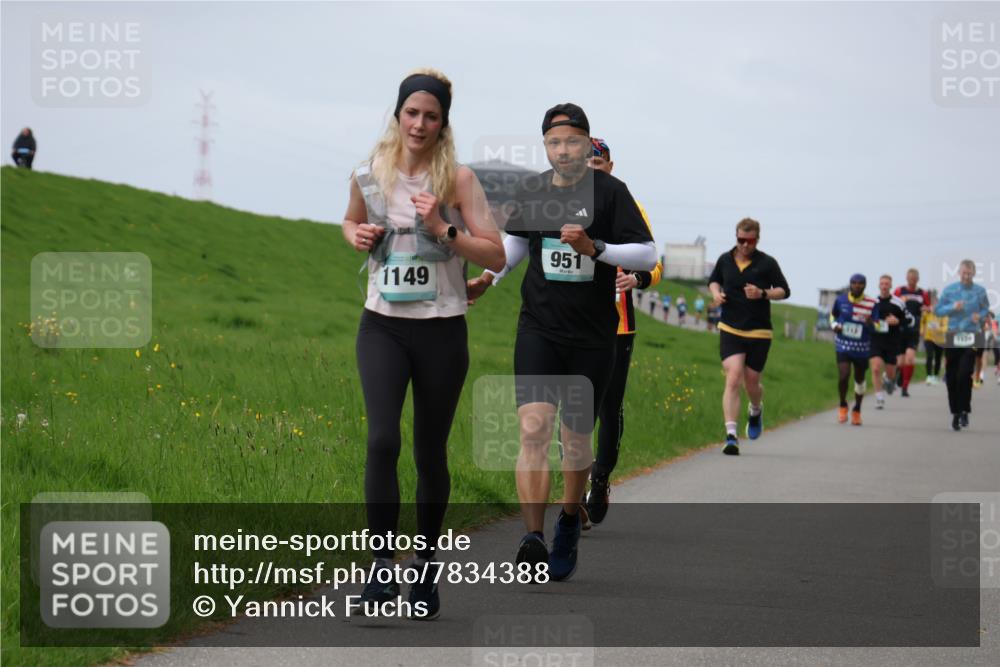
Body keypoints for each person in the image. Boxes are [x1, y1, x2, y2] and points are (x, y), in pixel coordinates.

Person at [467, 103, 656, 581]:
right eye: (554, 142)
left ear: (587, 144)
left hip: (593, 336)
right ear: (545, 146)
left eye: (572, 141)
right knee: (533, 429)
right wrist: (489, 278)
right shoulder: (532, 191)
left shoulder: (611, 193)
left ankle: (569, 517)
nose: (563, 149)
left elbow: (646, 251)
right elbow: (516, 245)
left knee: (574, 441)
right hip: (539, 328)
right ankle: (532, 535)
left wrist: (597, 249)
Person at [341, 69, 505, 618]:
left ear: (443, 123)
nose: (419, 123)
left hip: (441, 329)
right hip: (382, 325)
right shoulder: (368, 174)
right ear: (397, 115)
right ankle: (381, 571)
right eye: (411, 112)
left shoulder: (457, 181)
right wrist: (356, 235)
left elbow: (496, 255)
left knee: (429, 453)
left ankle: (426, 570)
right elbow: (349, 221)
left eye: (431, 115)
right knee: (382, 441)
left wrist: (443, 229)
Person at [584, 137, 662, 527]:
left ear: (610, 167)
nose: (592, 173)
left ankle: (599, 478)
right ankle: (573, 491)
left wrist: (639, 278)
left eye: (598, 167)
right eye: (586, 166)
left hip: (618, 324)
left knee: (607, 406)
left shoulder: (628, 205)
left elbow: (654, 262)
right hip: (574, 321)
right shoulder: (563, 204)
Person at [708, 217, 790, 455]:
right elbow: (713, 281)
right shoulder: (725, 259)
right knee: (733, 377)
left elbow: (784, 290)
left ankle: (755, 409)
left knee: (751, 382)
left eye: (749, 241)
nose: (744, 245)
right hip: (731, 327)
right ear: (736, 237)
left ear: (757, 239)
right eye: (741, 240)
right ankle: (731, 435)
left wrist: (763, 293)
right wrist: (716, 293)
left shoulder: (767, 263)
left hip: (759, 330)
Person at [935, 259, 990, 430]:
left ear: (974, 273)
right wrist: (953, 307)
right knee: (951, 377)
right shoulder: (949, 290)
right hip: (952, 335)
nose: (966, 276)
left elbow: (986, 309)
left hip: (972, 335)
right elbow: (938, 311)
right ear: (958, 273)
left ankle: (964, 409)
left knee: (964, 373)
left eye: (969, 273)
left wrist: (979, 316)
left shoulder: (980, 291)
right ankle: (956, 412)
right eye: (963, 273)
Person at [830, 275, 881, 426]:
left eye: (860, 284)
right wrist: (835, 327)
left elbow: (879, 325)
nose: (857, 286)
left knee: (859, 379)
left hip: (862, 347)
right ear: (850, 285)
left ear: (865, 286)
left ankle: (857, 410)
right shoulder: (841, 300)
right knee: (844, 375)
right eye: (854, 283)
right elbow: (833, 316)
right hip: (843, 345)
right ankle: (843, 405)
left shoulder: (872, 303)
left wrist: (871, 322)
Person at [869, 275, 906, 410]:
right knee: (876, 368)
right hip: (876, 340)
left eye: (887, 284)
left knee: (891, 374)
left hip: (892, 342)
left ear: (890, 286)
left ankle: (888, 379)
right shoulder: (872, 302)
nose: (884, 286)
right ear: (879, 286)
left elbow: (909, 320)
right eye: (882, 284)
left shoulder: (899, 303)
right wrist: (872, 322)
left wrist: (897, 321)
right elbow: (866, 318)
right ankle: (879, 398)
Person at [893, 268, 931, 397]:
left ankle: (904, 387)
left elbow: (928, 308)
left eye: (914, 279)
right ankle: (899, 373)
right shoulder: (899, 291)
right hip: (900, 329)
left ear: (918, 279)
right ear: (906, 278)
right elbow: (891, 305)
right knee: (900, 362)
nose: (912, 281)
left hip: (914, 330)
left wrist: (926, 309)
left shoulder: (923, 294)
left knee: (910, 359)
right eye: (910, 278)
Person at [921, 289, 946, 385]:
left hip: (940, 339)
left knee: (938, 358)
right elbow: (922, 322)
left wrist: (939, 328)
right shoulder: (927, 312)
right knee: (930, 356)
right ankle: (929, 376)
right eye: (933, 303)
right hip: (929, 337)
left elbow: (945, 326)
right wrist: (922, 330)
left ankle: (935, 375)